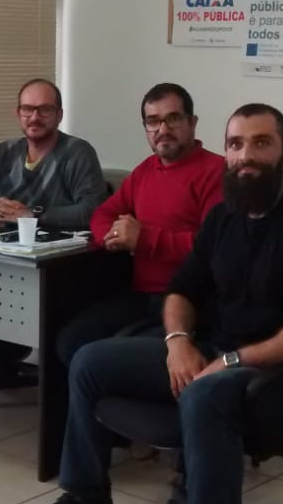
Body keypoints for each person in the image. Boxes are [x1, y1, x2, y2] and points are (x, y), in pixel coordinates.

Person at [15, 103, 283, 504]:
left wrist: (228, 361)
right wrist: (178, 342)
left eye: (261, 143)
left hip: (276, 370)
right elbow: (181, 291)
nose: (246, 156)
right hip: (214, 350)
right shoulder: (225, 216)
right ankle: (86, 496)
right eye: (236, 144)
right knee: (88, 360)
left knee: (203, 393)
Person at [57, 83, 225, 368]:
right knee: (69, 342)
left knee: (100, 358)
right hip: (141, 296)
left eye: (173, 118)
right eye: (153, 121)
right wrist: (113, 235)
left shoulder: (217, 171)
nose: (163, 129)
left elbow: (213, 248)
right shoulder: (146, 170)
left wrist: (144, 239)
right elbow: (102, 214)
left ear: (192, 122)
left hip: (191, 302)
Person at [0, 77, 106, 378]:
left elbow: (92, 211)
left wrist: (31, 215)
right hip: (7, 257)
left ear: (59, 115)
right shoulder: (5, 152)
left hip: (60, 266)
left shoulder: (77, 153)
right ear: (18, 113)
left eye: (44, 110)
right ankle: (2, 355)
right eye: (28, 109)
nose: (35, 117)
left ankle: (30, 365)